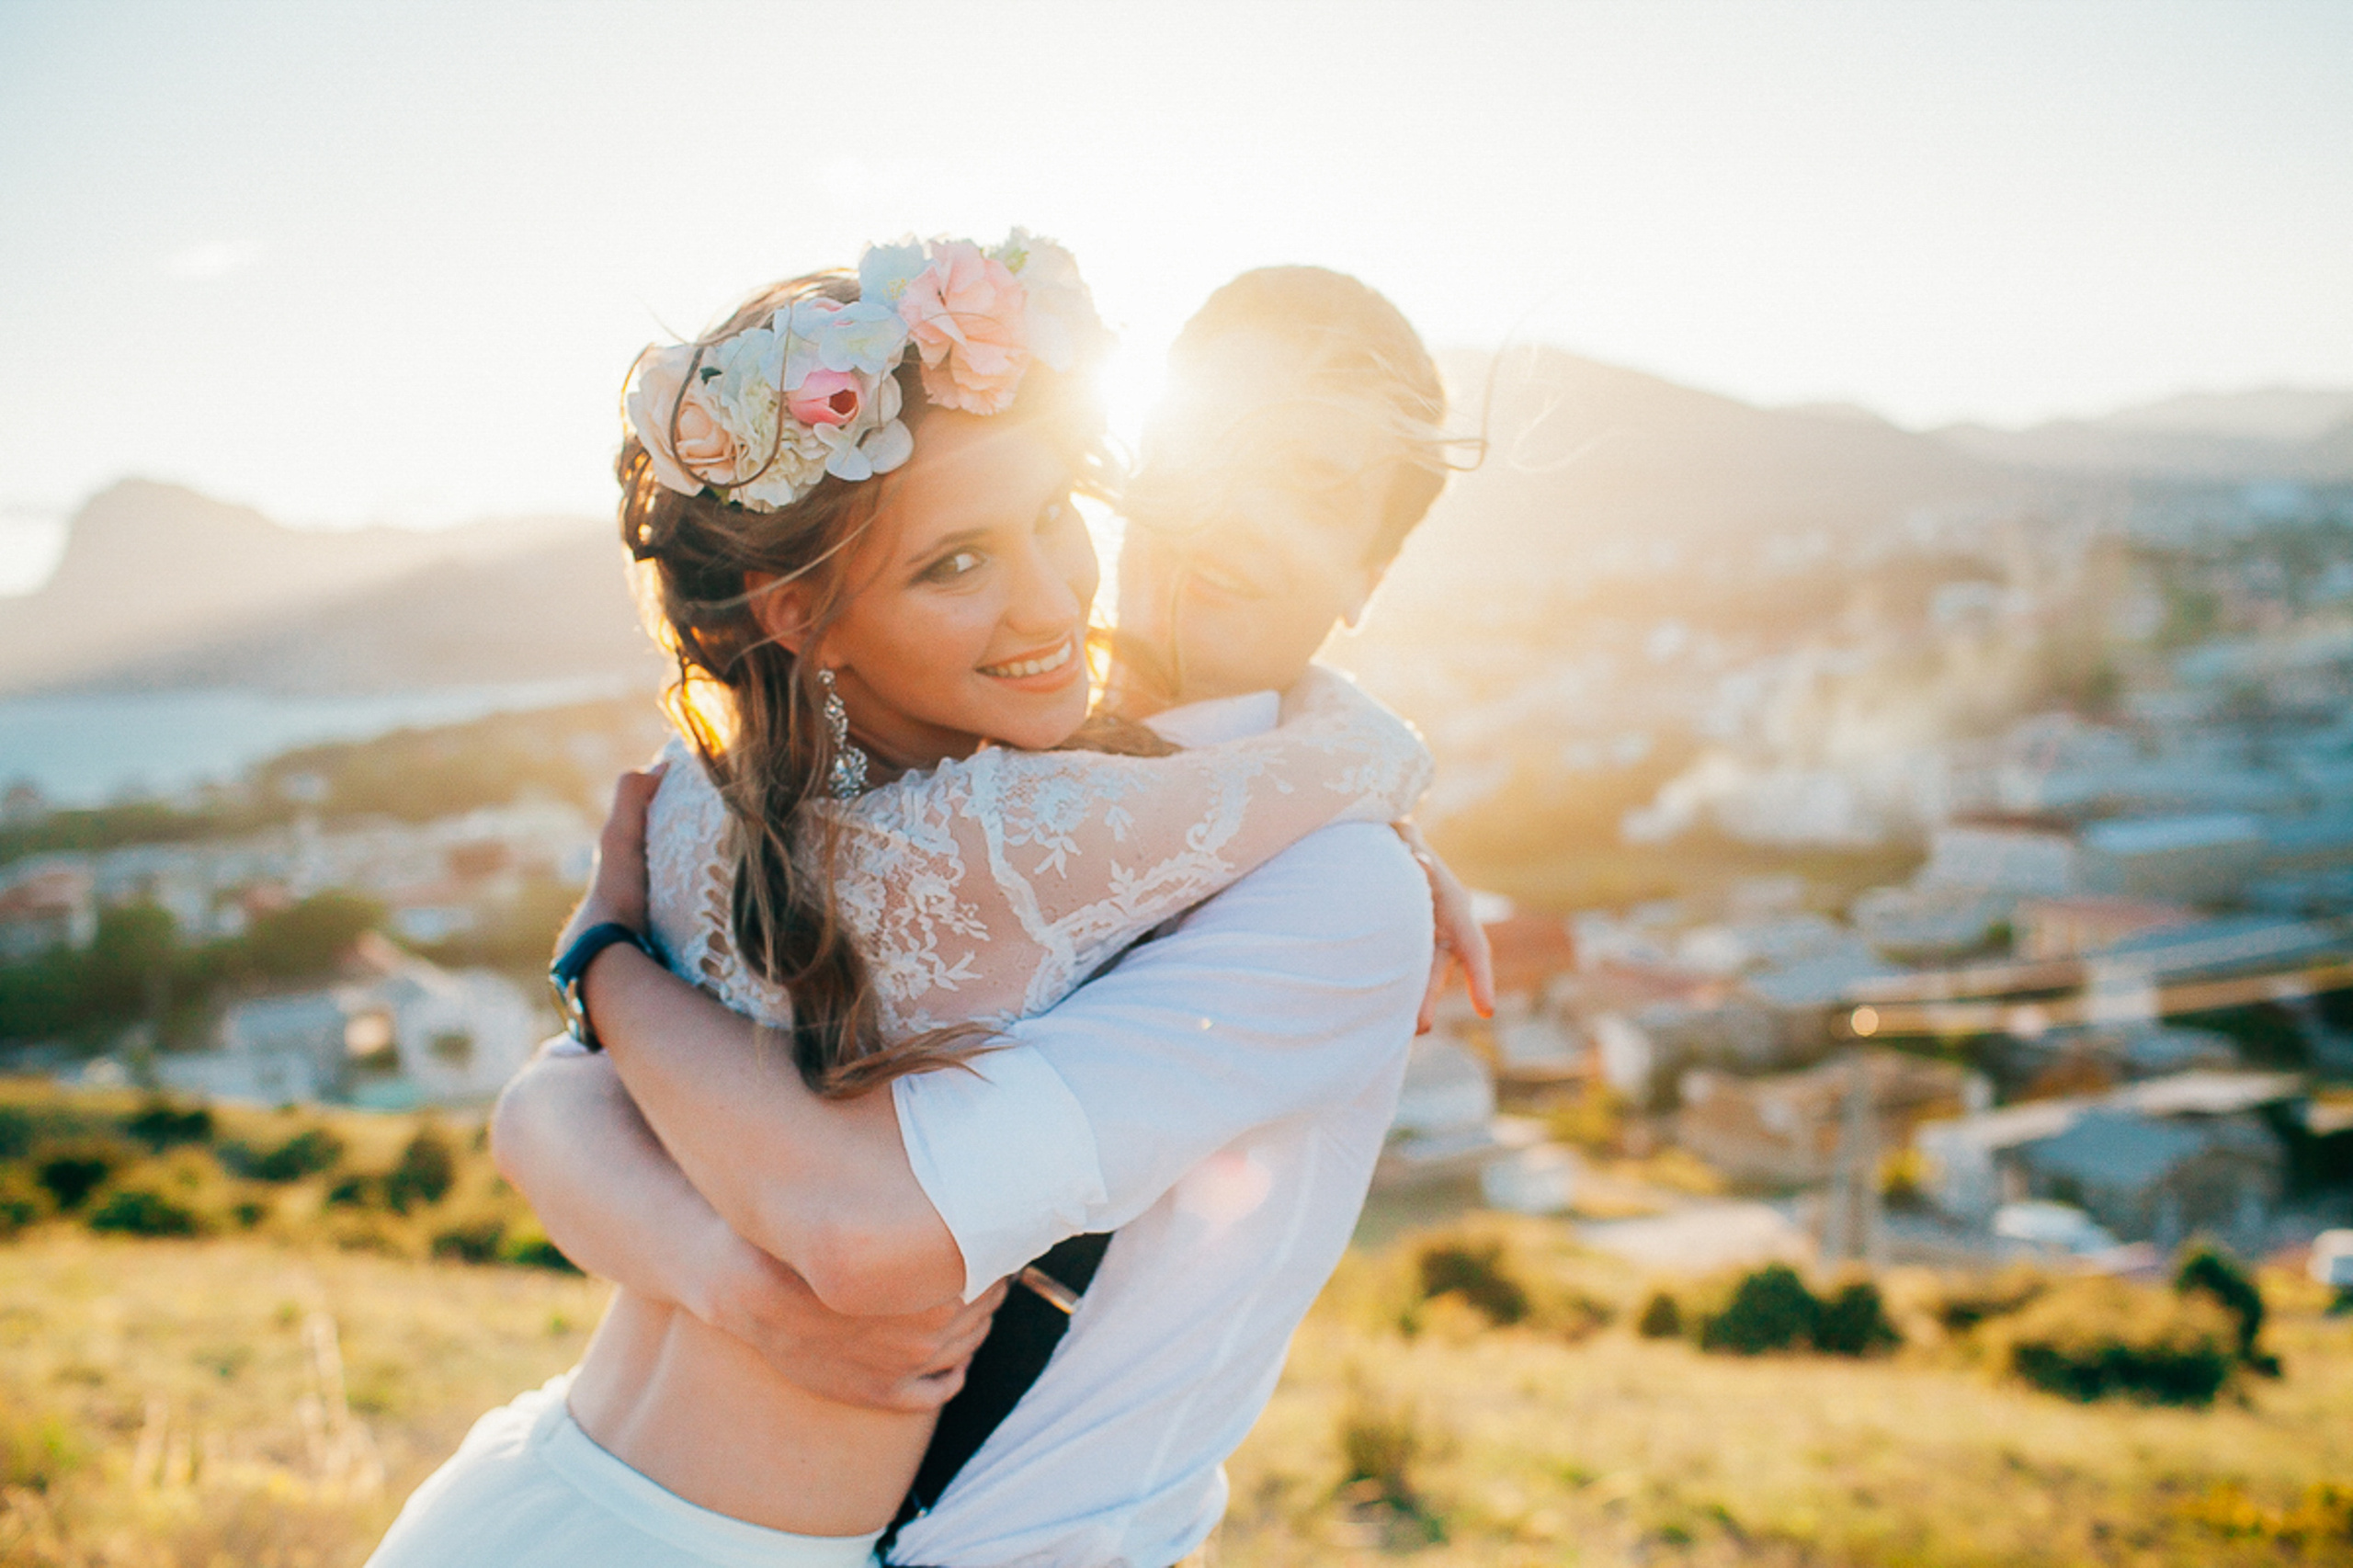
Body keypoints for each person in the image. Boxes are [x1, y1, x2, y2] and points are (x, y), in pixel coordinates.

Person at [365, 250, 1467, 1568]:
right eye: (1212, 444)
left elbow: (601, 1119)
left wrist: (603, 962)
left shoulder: (1325, 877)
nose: (1241, 509)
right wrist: (732, 1276)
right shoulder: (956, 775)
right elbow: (550, 1114)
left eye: (1315, 488)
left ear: (1369, 574)